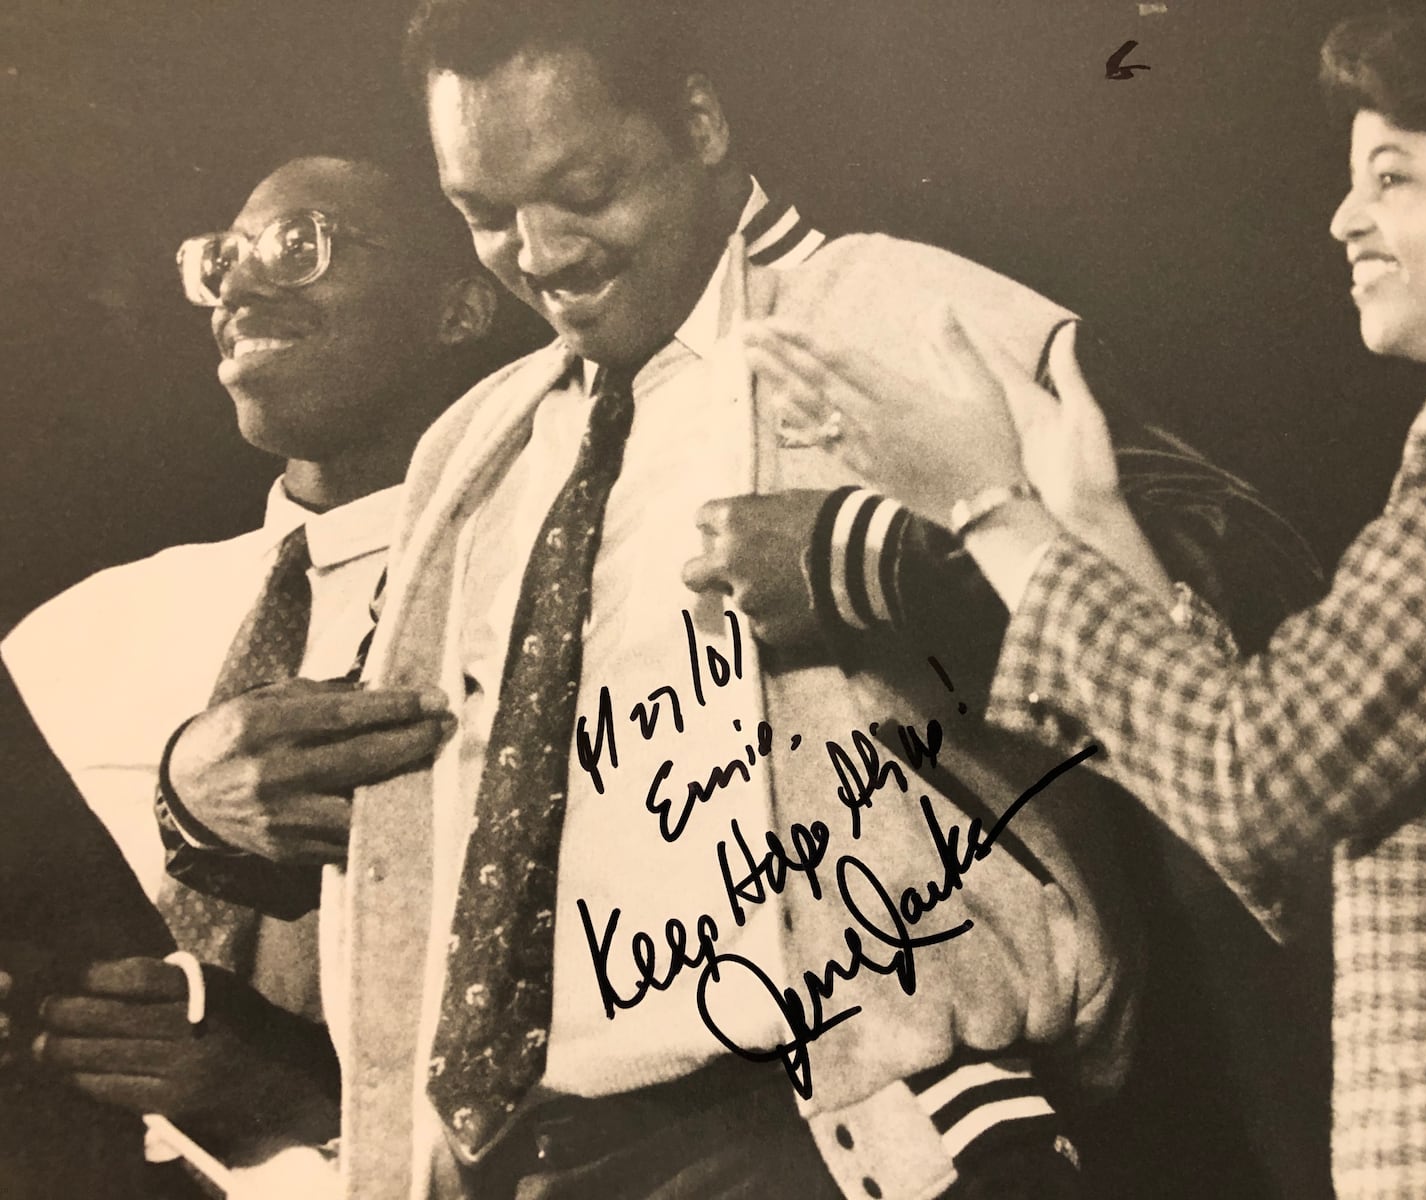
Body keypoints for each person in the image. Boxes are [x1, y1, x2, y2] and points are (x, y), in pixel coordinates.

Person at [157, 3, 1321, 1197]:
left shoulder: (900, 308)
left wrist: (874, 564)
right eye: (486, 215)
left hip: (865, 1146)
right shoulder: (482, 438)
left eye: (584, 187)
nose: (542, 251)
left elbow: (1231, 602)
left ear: (702, 123)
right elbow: (426, 799)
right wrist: (204, 798)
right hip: (526, 1159)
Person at [742, 6, 1426, 1195]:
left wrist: (988, 507)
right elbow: (1280, 844)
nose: (1344, 217)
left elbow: (1257, 778)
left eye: (1392, 177)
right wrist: (1090, 521)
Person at [2, 151, 500, 1187]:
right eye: (220, 260)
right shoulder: (74, 635)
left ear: (458, 307)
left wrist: (277, 1094)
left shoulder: (531, 607)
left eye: (299, 246)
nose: (235, 285)